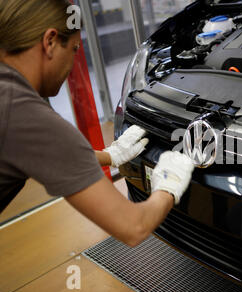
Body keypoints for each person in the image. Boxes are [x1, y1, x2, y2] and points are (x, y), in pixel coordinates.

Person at [0, 0, 194, 247]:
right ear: (49, 42)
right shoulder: (25, 114)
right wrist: (169, 184)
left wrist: (110, 155)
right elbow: (134, 226)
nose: (72, 66)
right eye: (73, 49)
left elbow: (47, 155)